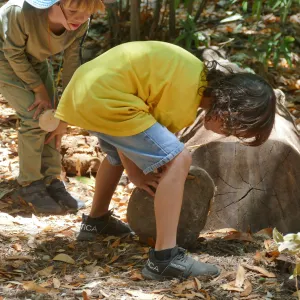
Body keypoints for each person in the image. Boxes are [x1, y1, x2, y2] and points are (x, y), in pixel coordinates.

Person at [46, 41, 276, 280]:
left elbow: (128, 136)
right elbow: (136, 129)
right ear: (231, 107)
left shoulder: (192, 76)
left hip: (88, 90)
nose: (225, 133)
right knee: (179, 159)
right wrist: (137, 174)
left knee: (115, 157)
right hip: (105, 97)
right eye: (233, 128)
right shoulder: (185, 98)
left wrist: (135, 170)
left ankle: (96, 222)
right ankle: (165, 258)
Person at [0, 0, 105, 214]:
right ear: (53, 5)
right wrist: (38, 89)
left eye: (86, 13)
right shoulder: (19, 12)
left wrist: (65, 112)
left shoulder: (81, 22)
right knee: (34, 116)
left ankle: (50, 180)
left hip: (34, 61)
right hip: (4, 58)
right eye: (73, 10)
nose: (79, 18)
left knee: (53, 117)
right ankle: (30, 185)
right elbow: (13, 54)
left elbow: (72, 64)